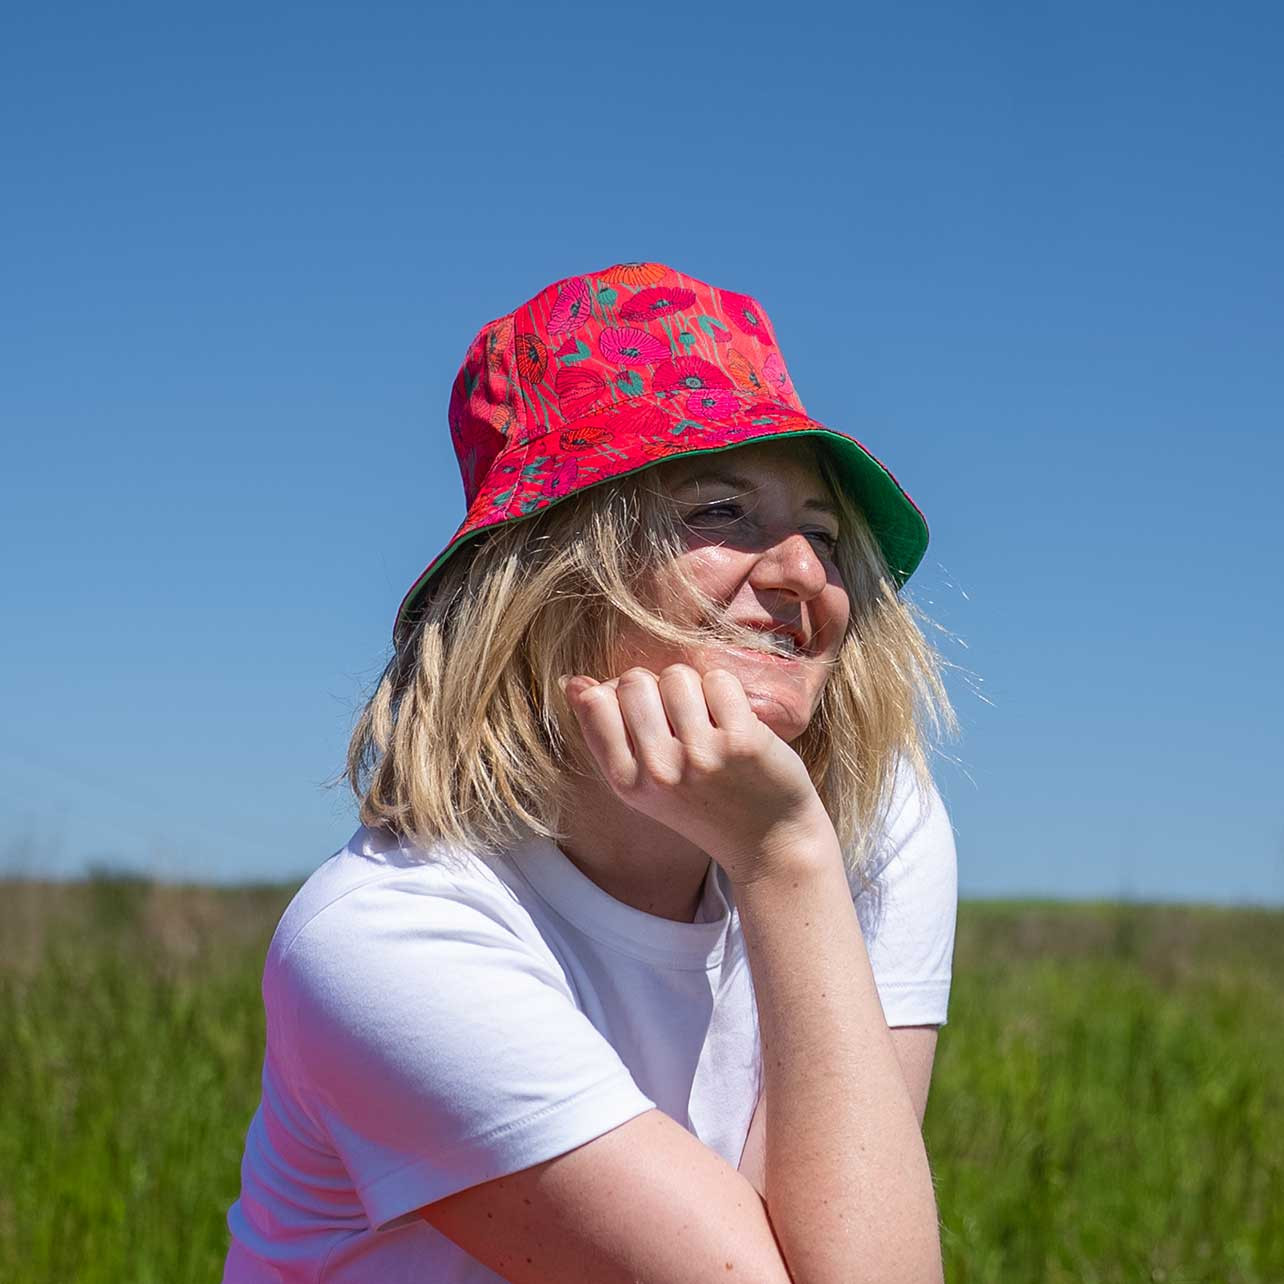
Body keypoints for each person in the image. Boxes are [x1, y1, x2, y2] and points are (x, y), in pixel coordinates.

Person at [223, 262, 959, 1283]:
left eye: (823, 531)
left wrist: (785, 858)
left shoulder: (877, 823)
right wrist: (785, 860)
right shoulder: (390, 941)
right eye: (718, 511)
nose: (803, 574)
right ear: (553, 576)